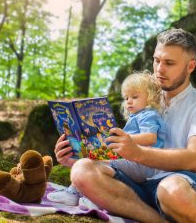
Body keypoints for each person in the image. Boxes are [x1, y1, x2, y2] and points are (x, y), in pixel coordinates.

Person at [54, 28, 196, 223]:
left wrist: (136, 152)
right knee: (82, 170)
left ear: (190, 66)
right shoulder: (144, 98)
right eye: (157, 60)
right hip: (137, 184)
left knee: (171, 189)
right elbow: (122, 152)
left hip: (181, 184)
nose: (159, 69)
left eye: (169, 63)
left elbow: (194, 160)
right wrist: (76, 154)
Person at [48, 71, 166, 205]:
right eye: (126, 98)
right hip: (134, 162)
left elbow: (151, 138)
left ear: (150, 97)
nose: (129, 101)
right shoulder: (138, 116)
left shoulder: (149, 115)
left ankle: (82, 195)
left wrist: (124, 138)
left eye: (134, 96)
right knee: (94, 160)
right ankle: (82, 193)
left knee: (98, 163)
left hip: (142, 165)